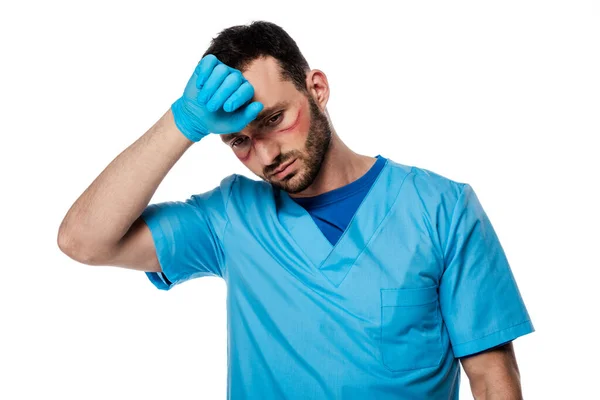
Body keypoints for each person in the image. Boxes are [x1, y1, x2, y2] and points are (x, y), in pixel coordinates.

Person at [58, 20, 534, 399]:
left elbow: (493, 380)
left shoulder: (441, 209)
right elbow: (82, 240)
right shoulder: (230, 219)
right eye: (239, 140)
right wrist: (181, 122)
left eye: (273, 120)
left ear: (318, 89)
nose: (265, 156)